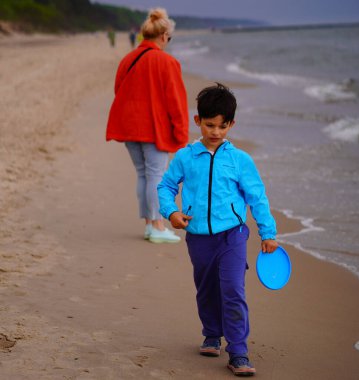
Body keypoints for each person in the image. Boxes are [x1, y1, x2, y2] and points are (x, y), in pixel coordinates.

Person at [157, 83, 278, 376]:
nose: (216, 132)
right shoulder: (186, 157)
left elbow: (256, 197)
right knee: (207, 288)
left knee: (233, 289)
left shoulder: (240, 160)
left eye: (223, 126)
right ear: (198, 121)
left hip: (232, 236)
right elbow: (166, 186)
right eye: (210, 125)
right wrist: (171, 212)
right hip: (198, 236)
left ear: (231, 124)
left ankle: (238, 351)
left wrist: (268, 232)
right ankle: (212, 333)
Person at [106, 8, 189, 243]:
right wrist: (181, 135)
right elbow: (176, 102)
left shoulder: (127, 59)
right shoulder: (167, 61)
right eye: (169, 38)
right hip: (153, 128)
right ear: (163, 36)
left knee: (144, 175)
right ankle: (157, 226)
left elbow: (118, 91)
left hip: (129, 127)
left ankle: (149, 225)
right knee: (156, 177)